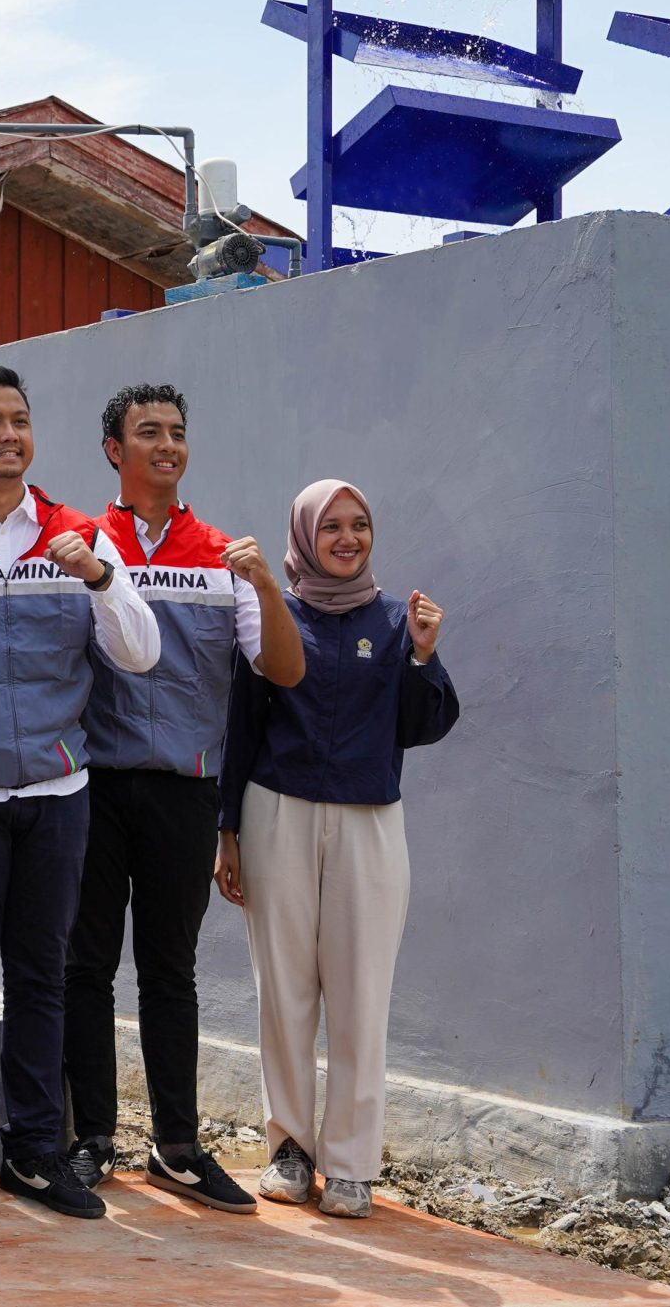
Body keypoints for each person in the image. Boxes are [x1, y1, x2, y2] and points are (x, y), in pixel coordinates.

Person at [0, 364, 158, 1222]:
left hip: (59, 785)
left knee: (43, 975)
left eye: (19, 419)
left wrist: (100, 576)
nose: (9, 434)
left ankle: (37, 1151)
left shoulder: (81, 533)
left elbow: (141, 653)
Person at [62, 385, 305, 1210]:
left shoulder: (222, 553)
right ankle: (91, 1138)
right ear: (114, 450)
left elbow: (284, 670)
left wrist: (266, 586)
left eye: (176, 432)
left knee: (171, 970)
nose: (167, 444)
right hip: (92, 788)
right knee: (86, 966)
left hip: (185, 793)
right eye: (148, 432)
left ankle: (176, 1145)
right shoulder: (83, 543)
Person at [217, 480, 456, 1221]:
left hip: (369, 821)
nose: (348, 538)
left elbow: (422, 726)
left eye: (360, 525)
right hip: (276, 812)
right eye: (331, 527)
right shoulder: (273, 612)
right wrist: (227, 830)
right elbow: (241, 723)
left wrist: (423, 657)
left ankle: (352, 1165)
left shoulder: (397, 619)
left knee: (361, 995)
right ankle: (290, 1149)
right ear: (304, 536)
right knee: (283, 991)